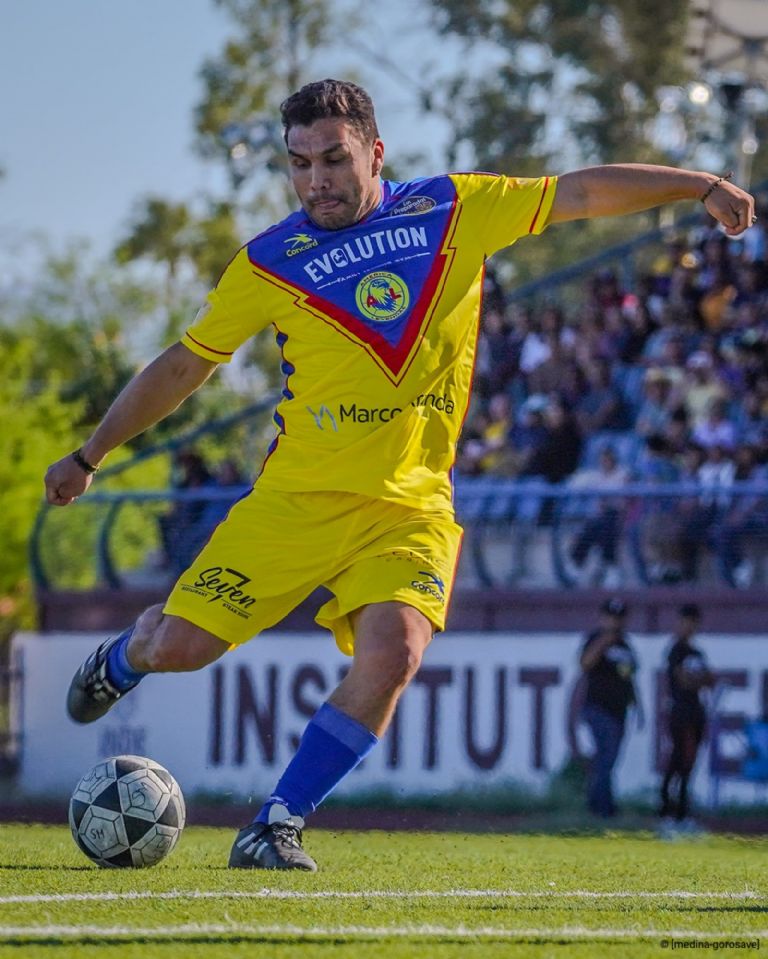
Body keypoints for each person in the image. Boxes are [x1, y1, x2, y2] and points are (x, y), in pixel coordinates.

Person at [43, 78, 757, 871]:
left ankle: (275, 822)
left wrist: (701, 184)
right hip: (296, 503)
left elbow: (580, 190)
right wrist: (89, 455)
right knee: (180, 648)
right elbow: (183, 367)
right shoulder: (270, 261)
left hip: (412, 506)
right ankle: (124, 656)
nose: (316, 179)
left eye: (334, 159)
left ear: (374, 152)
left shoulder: (455, 208)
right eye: (299, 163)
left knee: (396, 652)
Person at [579, 598, 641, 818]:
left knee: (610, 758)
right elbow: (585, 664)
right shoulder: (595, 640)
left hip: (619, 710)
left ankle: (596, 802)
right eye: (611, 617)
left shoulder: (625, 645)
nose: (615, 622)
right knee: (606, 757)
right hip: (598, 708)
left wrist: (638, 707)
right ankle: (604, 807)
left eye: (619, 618)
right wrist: (605, 642)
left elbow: (629, 678)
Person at [658, 604, 714, 834]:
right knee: (679, 761)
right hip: (680, 713)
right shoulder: (676, 650)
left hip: (696, 712)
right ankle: (669, 812)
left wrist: (697, 679)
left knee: (689, 764)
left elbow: (709, 680)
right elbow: (683, 680)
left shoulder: (697, 653)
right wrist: (696, 679)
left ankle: (681, 812)